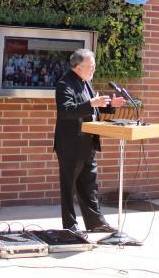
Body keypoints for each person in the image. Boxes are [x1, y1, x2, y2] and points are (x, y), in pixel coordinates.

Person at [54, 48, 124, 234]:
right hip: (71, 145)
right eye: (90, 66)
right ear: (77, 66)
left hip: (88, 143)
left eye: (94, 66)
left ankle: (95, 223)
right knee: (69, 188)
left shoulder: (86, 83)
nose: (93, 70)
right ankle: (70, 226)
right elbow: (66, 111)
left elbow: (92, 109)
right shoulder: (64, 84)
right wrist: (92, 103)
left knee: (89, 186)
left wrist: (110, 105)